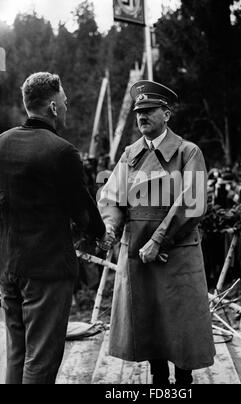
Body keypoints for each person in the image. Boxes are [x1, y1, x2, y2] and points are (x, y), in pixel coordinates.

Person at [98, 80, 215, 385]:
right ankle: (159, 383)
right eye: (139, 111)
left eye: (150, 110)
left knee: (180, 327)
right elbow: (113, 197)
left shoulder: (188, 152)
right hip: (139, 253)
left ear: (167, 114)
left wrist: (159, 238)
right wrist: (110, 226)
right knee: (149, 322)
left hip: (176, 252)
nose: (142, 116)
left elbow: (194, 201)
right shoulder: (130, 155)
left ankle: (184, 383)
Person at [0, 72, 106, 384]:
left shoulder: (0, 144)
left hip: (7, 266)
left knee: (16, 353)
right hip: (46, 269)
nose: (67, 106)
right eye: (65, 100)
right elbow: (82, 209)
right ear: (53, 107)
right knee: (41, 361)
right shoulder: (61, 151)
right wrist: (101, 235)